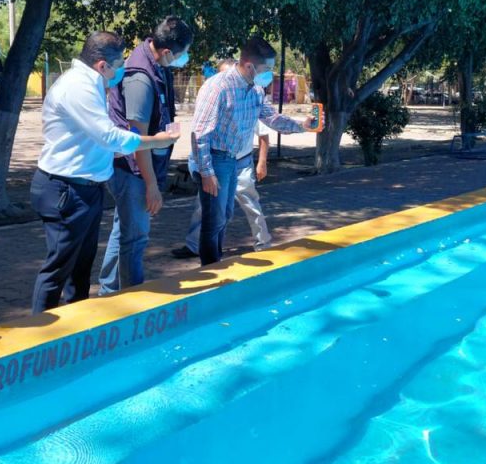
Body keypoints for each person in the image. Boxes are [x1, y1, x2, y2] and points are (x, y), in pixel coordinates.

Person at [30, 31, 180, 313]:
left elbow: (100, 141)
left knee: (80, 268)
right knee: (58, 270)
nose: (122, 70)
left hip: (85, 189)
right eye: (120, 65)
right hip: (65, 189)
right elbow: (109, 137)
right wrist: (156, 141)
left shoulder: (93, 83)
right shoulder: (78, 87)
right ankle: (37, 333)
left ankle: (76, 324)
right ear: (102, 65)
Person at [191, 36, 322, 265]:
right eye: (267, 69)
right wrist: (207, 172)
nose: (270, 75)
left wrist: (302, 125)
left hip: (235, 160)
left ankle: (215, 261)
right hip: (215, 159)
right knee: (214, 219)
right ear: (249, 66)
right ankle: (210, 269)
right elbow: (200, 133)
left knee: (225, 215)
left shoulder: (256, 91)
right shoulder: (218, 87)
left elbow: (272, 119)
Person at [98, 17, 193, 294]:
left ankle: (108, 292)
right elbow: (136, 140)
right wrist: (151, 185)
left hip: (136, 166)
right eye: (183, 54)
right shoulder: (141, 77)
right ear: (167, 51)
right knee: (136, 238)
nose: (184, 59)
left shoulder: (155, 64)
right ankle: (132, 298)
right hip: (133, 170)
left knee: (123, 230)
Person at [173, 59, 273, 258]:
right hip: (218, 163)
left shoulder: (251, 95)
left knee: (239, 208)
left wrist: (262, 162)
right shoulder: (217, 93)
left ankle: (263, 242)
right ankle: (199, 250)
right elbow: (200, 134)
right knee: (209, 212)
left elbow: (265, 133)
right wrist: (206, 171)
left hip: (240, 162)